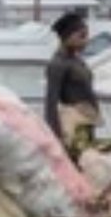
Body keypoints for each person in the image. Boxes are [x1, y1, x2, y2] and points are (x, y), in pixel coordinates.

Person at [45, 12, 105, 158]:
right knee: (86, 159)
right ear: (67, 37)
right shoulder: (58, 64)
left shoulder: (76, 60)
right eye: (81, 36)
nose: (86, 40)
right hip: (74, 125)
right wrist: (56, 137)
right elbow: (50, 103)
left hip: (87, 120)